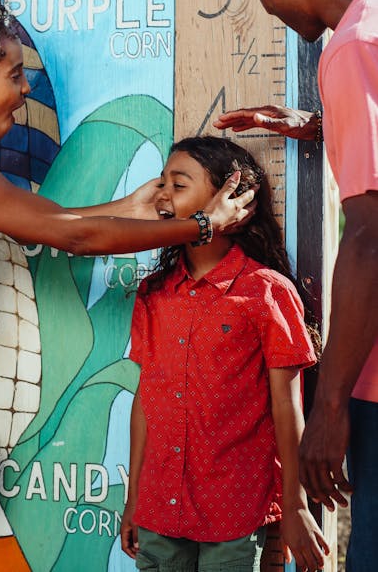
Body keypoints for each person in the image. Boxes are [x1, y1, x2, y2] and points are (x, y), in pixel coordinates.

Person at [214, 0, 378, 572]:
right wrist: (314, 123)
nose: (270, 10)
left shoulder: (350, 50)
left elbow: (370, 237)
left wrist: (331, 406)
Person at [0, 0, 254, 257]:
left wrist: (129, 208)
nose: (27, 88)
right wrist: (206, 224)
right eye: (15, 75)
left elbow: (31, 225)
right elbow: (75, 236)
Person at [120, 135, 329, 572]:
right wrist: (134, 498)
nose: (161, 195)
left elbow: (288, 410)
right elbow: (145, 400)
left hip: (235, 512)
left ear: (232, 200)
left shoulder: (267, 292)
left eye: (178, 185)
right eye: (161, 183)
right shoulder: (154, 293)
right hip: (159, 511)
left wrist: (295, 506)